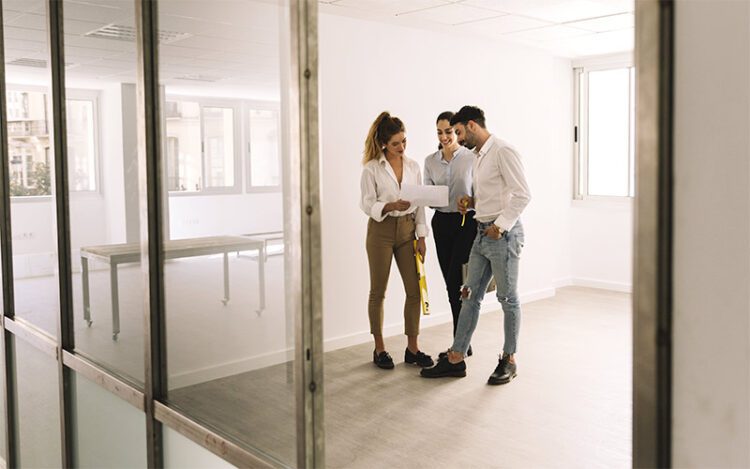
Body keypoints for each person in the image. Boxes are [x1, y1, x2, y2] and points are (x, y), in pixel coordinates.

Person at [421, 105, 531, 385]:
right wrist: (471, 202)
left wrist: (500, 226)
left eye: (458, 132)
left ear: (471, 125)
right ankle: (456, 357)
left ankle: (509, 360)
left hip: (502, 236)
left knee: (508, 298)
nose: (457, 138)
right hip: (481, 234)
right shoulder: (479, 156)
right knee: (468, 295)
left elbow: (522, 194)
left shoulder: (503, 151)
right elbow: (490, 194)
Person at [360, 111, 434, 370]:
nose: (401, 147)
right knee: (378, 291)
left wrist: (421, 236)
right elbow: (366, 204)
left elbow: (420, 203)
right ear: (383, 144)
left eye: (404, 141)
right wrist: (390, 205)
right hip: (380, 231)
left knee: (414, 291)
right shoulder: (371, 169)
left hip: (407, 230)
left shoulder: (413, 167)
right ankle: (379, 349)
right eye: (395, 143)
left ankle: (413, 349)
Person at [423, 111, 477, 357]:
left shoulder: (471, 158)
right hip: (441, 223)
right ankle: (461, 342)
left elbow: (480, 192)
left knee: (460, 282)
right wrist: (430, 198)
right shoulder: (430, 161)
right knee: (450, 284)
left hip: (466, 223)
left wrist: (470, 201)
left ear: (457, 131)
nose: (444, 137)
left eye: (449, 131)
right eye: (439, 132)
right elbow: (428, 194)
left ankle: (460, 344)